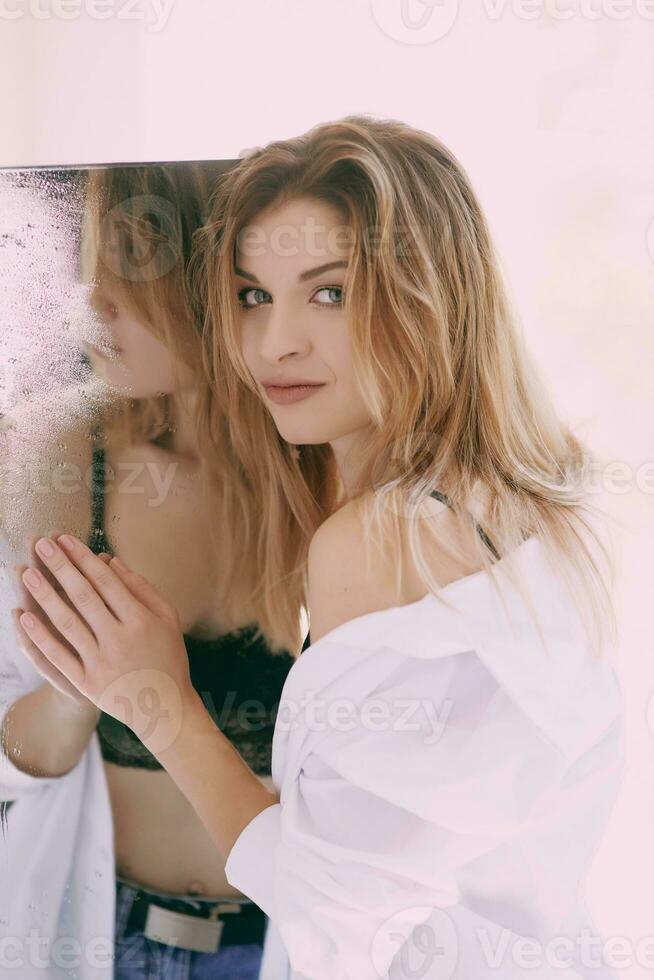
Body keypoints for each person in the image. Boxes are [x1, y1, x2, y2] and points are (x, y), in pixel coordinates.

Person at [14, 116, 626, 979]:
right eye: (254, 294)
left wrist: (156, 698)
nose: (275, 342)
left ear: (430, 293)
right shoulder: (530, 496)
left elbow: (325, 898)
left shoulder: (377, 540)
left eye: (330, 292)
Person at [0, 161, 299, 979]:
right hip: (106, 934)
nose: (92, 300)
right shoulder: (58, 457)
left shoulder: (330, 471)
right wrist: (74, 687)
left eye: (132, 257)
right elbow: (11, 753)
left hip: (294, 942)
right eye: (90, 260)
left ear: (224, 271)